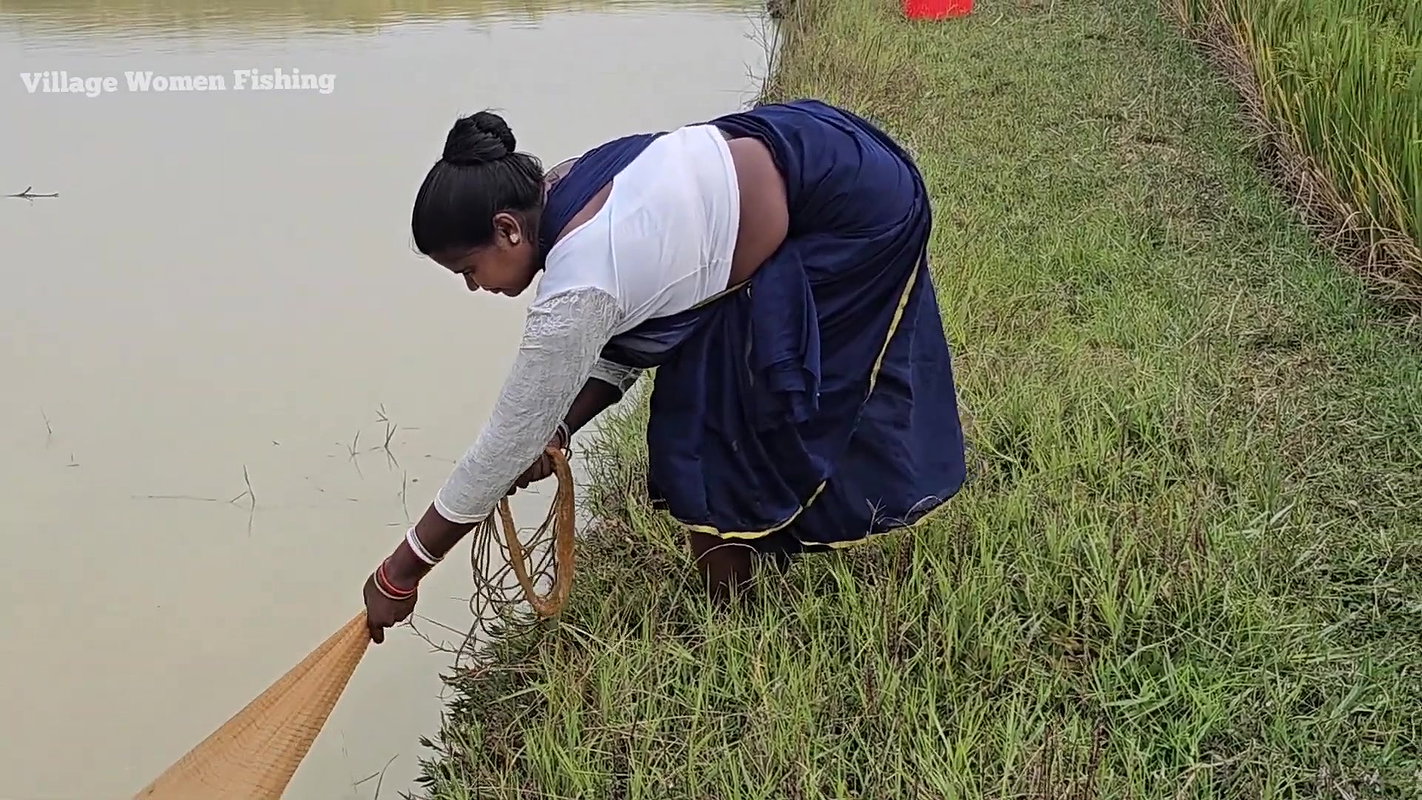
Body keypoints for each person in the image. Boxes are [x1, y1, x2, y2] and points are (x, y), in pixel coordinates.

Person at [362, 98, 968, 643]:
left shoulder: (580, 283)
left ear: (507, 228)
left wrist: (401, 573)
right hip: (811, 141)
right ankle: (748, 567)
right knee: (707, 393)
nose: (474, 287)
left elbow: (500, 448)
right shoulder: (564, 187)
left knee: (729, 417)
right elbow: (639, 327)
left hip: (855, 207)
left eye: (469, 269)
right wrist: (561, 429)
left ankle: (735, 620)